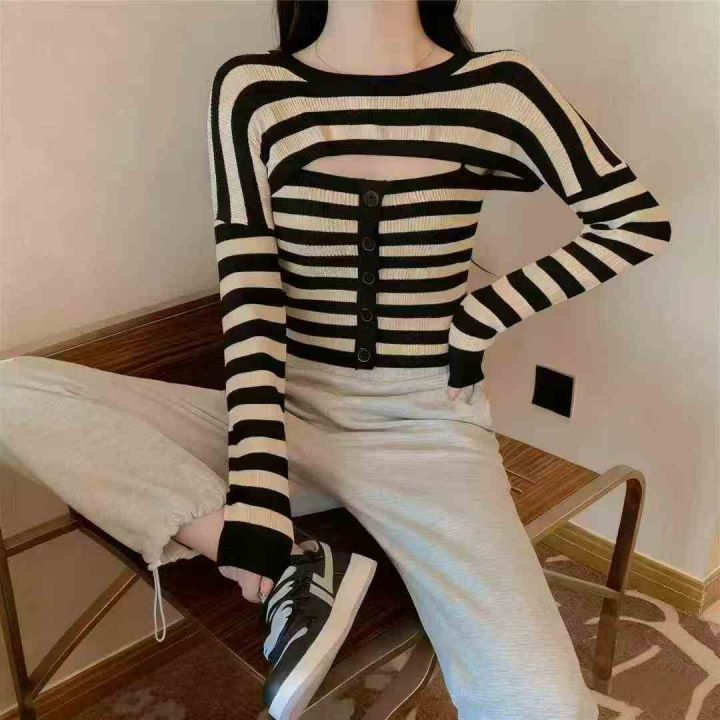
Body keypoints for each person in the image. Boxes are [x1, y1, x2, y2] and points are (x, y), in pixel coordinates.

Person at [0, 1, 671, 719]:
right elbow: (251, 296)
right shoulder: (254, 90)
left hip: (425, 433)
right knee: (13, 391)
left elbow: (633, 220)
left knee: (545, 706)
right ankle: (295, 562)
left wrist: (480, 316)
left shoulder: (500, 89)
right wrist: (256, 493)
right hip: (284, 412)